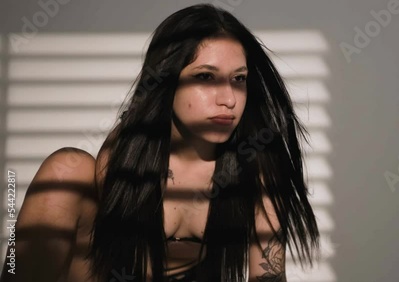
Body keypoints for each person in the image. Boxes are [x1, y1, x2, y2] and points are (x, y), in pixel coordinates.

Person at [1, 3, 319, 282]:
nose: (229, 99)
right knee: (66, 168)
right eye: (205, 77)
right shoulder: (126, 156)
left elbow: (269, 276)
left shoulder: (255, 168)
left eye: (239, 79)